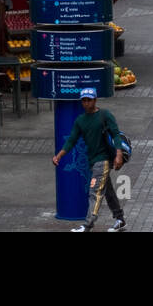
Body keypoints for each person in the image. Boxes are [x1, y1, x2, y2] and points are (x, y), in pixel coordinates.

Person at [52, 87, 126, 232]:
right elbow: (71, 140)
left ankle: (88, 225)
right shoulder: (80, 120)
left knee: (95, 192)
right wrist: (59, 155)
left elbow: (116, 134)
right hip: (93, 161)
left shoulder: (105, 115)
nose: (86, 103)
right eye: (84, 100)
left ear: (95, 100)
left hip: (103, 160)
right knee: (108, 192)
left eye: (89, 100)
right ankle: (120, 219)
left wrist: (118, 154)